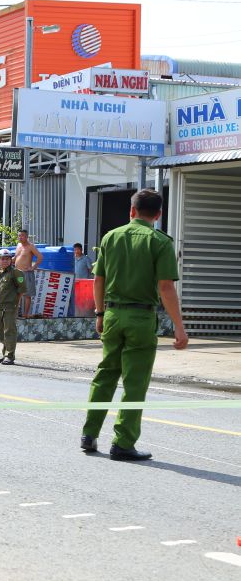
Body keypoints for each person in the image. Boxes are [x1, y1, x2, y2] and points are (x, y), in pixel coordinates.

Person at [80, 189, 188, 462]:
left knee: (105, 375)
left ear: (131, 211)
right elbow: (166, 287)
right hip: (141, 318)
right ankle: (123, 442)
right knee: (134, 382)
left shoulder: (110, 237)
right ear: (158, 215)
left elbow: (99, 280)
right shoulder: (160, 242)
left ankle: (89, 435)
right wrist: (179, 326)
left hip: (113, 315)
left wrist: (100, 313)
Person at [0, 248, 25, 366]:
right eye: (3, 259)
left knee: (9, 332)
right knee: (0, 332)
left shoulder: (16, 273)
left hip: (10, 307)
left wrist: (16, 305)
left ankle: (10, 356)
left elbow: (21, 290)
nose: (5, 261)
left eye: (8, 259)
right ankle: (4, 353)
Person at [14, 230, 42, 317]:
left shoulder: (31, 246)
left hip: (26, 273)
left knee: (27, 295)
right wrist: (7, 261)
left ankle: (25, 314)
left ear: (26, 237)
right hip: (17, 273)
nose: (20, 237)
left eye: (22, 236)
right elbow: (15, 257)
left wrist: (33, 267)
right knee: (17, 293)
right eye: (19, 235)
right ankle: (16, 313)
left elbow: (40, 257)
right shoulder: (18, 245)